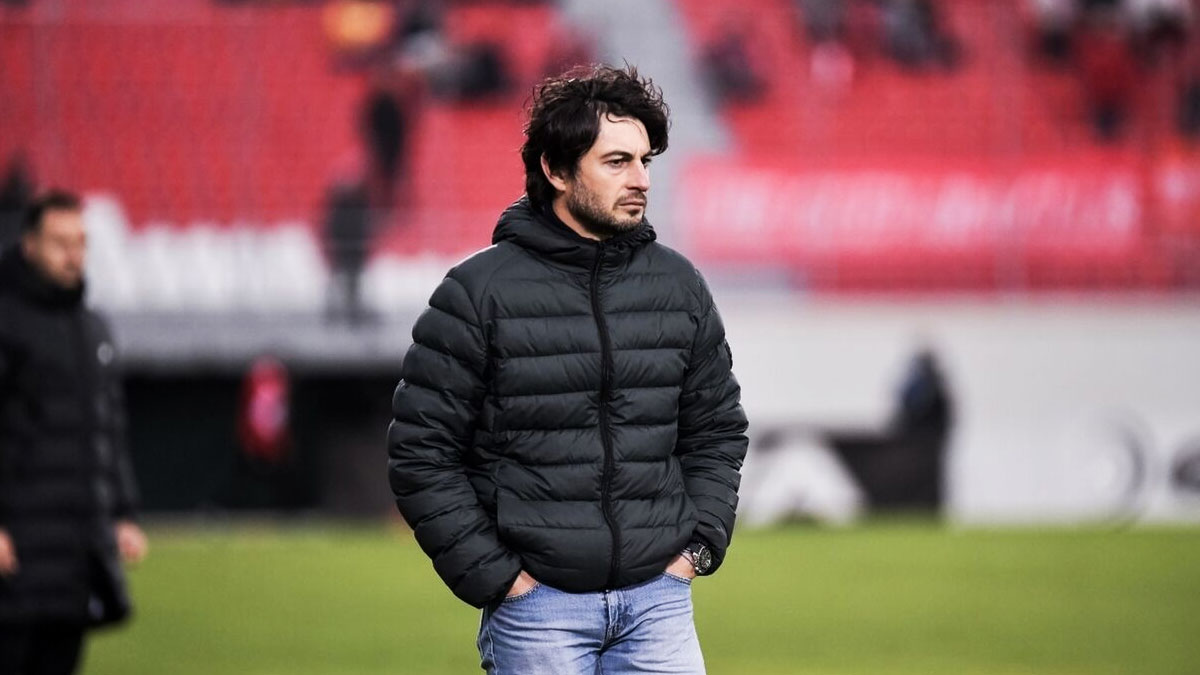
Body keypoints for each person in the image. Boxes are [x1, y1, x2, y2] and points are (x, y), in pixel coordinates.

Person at [387, 64, 748, 674]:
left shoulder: (679, 285)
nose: (640, 180)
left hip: (659, 605)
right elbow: (421, 452)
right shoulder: (476, 293)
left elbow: (717, 431)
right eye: (617, 162)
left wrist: (697, 548)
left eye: (644, 161)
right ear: (556, 170)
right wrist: (499, 579)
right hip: (537, 612)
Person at [0, 190, 147, 675]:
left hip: (74, 561)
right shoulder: (7, 322)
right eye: (59, 242)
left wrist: (122, 513)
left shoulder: (92, 329)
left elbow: (108, 430)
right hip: (14, 555)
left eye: (80, 242)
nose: (72, 254)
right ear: (29, 246)